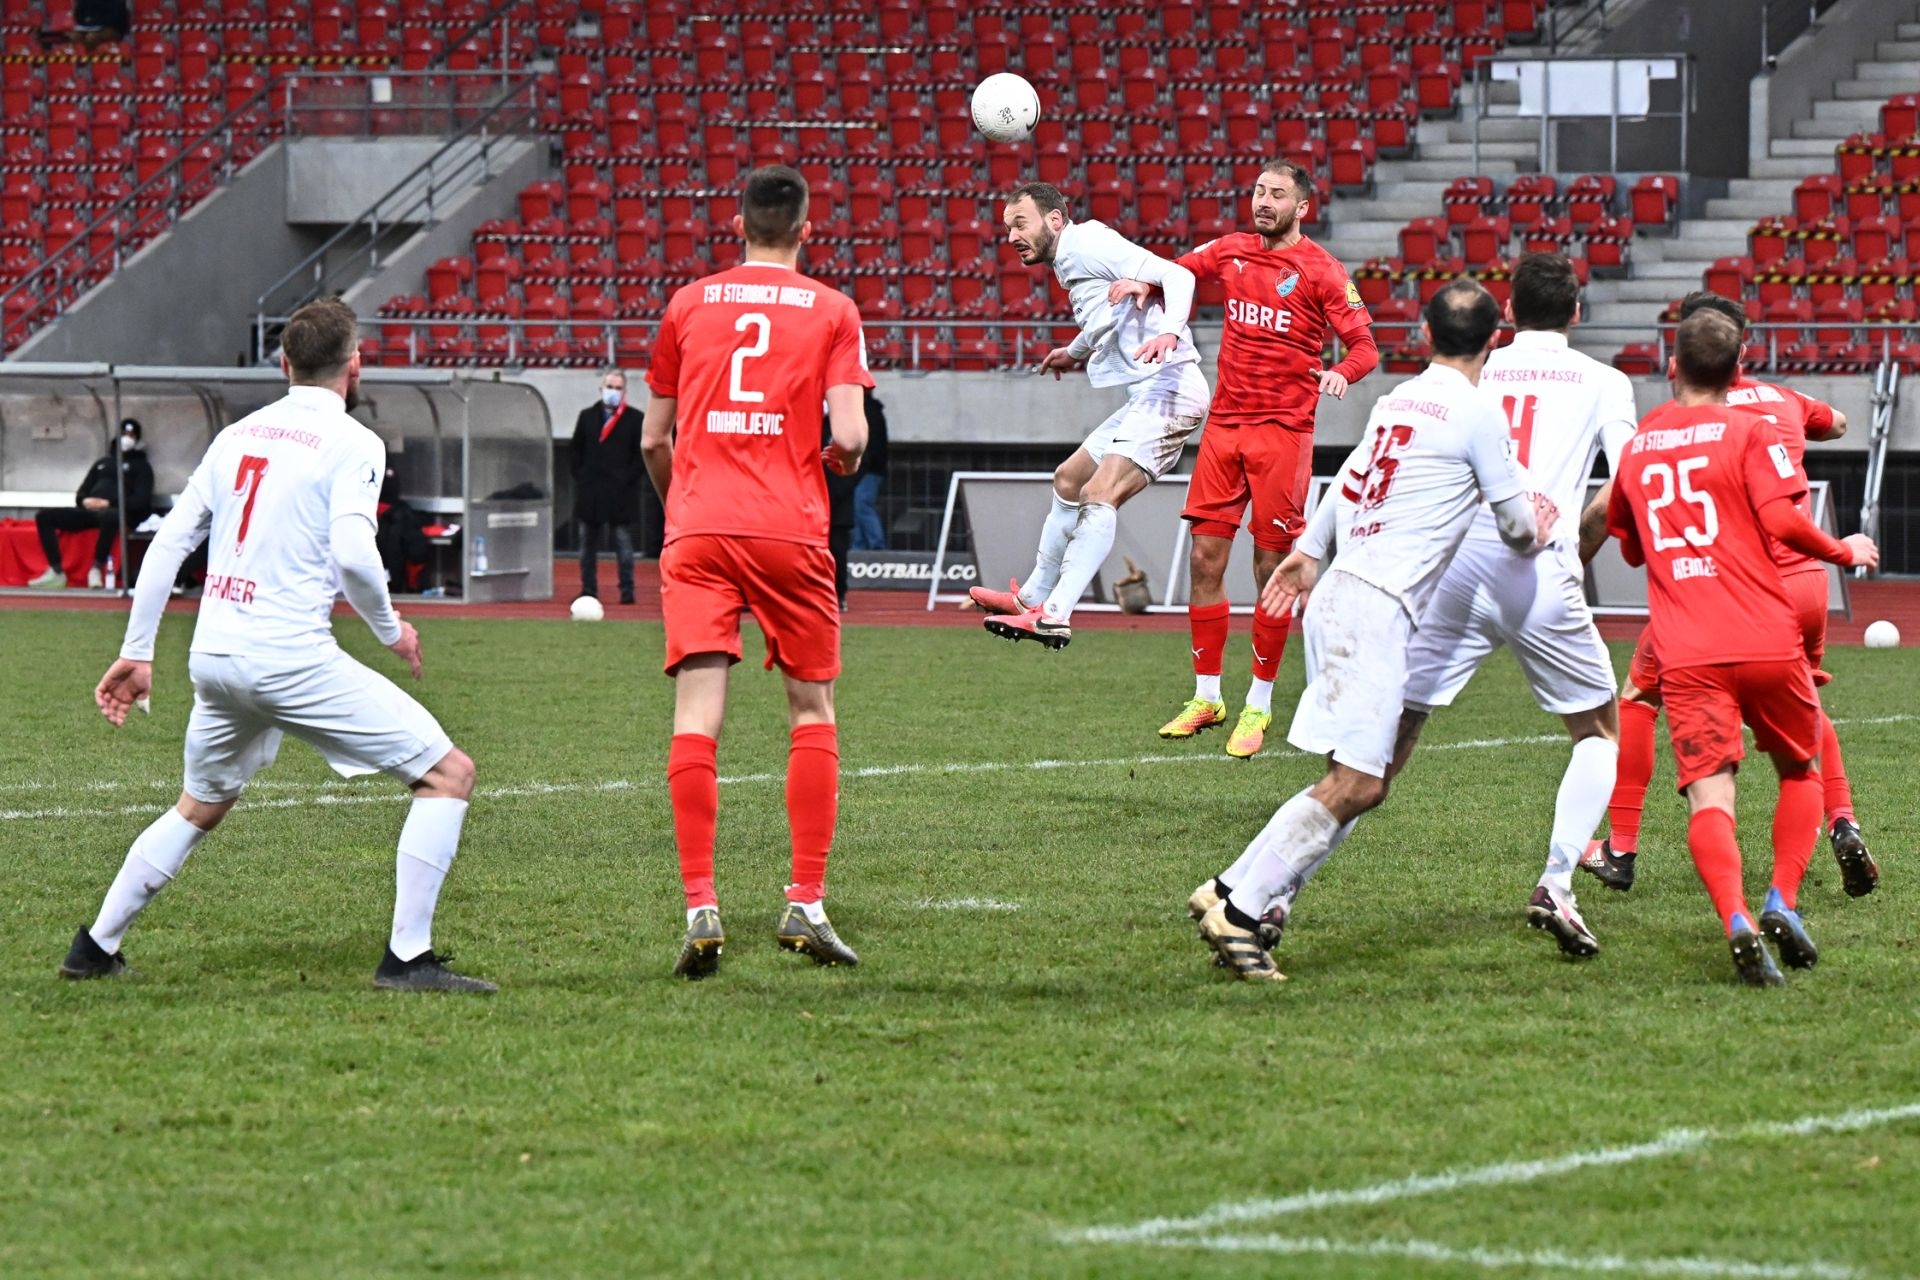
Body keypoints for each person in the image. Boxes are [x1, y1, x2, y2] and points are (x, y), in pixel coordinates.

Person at [59, 297, 493, 993]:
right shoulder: (355, 442)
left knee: (198, 805)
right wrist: (391, 630)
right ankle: (406, 960)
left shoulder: (238, 436)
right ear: (356, 364)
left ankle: (94, 946)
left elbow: (169, 541)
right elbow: (354, 555)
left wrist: (140, 652)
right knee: (449, 776)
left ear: (284, 364)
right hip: (287, 657)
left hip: (216, 656)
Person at [1188, 279, 1550, 981]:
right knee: (1361, 783)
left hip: (1345, 588)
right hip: (1376, 604)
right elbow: (1515, 527)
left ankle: (1230, 889)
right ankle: (1241, 908)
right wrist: (1538, 523)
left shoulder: (1397, 398)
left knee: (1352, 776)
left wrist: (1312, 549)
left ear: (1422, 334)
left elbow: (1351, 478)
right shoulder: (1478, 414)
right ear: (1496, 339)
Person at [640, 164, 873, 979]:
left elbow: (650, 440)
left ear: (737, 225)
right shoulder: (835, 310)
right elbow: (849, 435)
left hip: (699, 524)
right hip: (789, 528)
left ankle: (701, 903)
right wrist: (836, 461)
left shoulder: (689, 303)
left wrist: (683, 510)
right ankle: (804, 902)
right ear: (806, 230)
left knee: (695, 713)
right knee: (811, 708)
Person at [1604, 310, 1877, 985]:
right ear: (1737, 371)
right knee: (1798, 770)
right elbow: (1782, 516)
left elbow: (1631, 544)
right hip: (1764, 634)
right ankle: (1781, 899)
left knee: (1711, 797)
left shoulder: (1639, 445)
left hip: (1686, 649)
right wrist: (1844, 548)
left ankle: (1735, 919)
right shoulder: (1754, 426)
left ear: (1673, 367)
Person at [1394, 253, 1638, 958]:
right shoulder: (1604, 381)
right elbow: (1626, 480)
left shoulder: (1473, 363)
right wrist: (1586, 532)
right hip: (1536, 569)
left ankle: (1275, 889)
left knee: (1390, 738)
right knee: (1598, 731)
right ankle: (1557, 882)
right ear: (1576, 313)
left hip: (1455, 564)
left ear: (1508, 307)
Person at [1111, 160, 1378, 758]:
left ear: (1302, 207)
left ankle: (1258, 704)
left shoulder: (1324, 272)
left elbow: (1366, 345)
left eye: (1277, 194)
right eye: (1258, 190)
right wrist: (1146, 285)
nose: (1263, 201)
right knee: (1205, 558)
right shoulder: (1231, 250)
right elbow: (1178, 273)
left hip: (1282, 434)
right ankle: (1208, 696)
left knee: (1270, 570)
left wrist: (1340, 371)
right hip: (1225, 427)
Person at [965, 181, 1208, 650]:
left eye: (1021, 223)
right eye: (1007, 227)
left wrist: (1172, 335)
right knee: (1069, 479)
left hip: (1171, 388)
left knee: (1099, 493)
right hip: (1145, 395)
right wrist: (1072, 351)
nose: (1012, 235)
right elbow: (1109, 318)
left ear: (1054, 220)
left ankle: (1054, 614)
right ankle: (1032, 596)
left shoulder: (1089, 240)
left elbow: (1181, 277)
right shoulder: (1066, 262)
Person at [28, 417, 153, 590]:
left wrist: (109, 503)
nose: (127, 438)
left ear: (137, 439)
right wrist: (84, 500)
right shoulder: (102, 463)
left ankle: (96, 569)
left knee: (110, 516)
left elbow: (141, 500)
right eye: (124, 434)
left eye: (131, 435)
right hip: (90, 512)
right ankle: (56, 571)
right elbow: (82, 492)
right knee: (44, 516)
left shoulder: (142, 467)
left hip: (116, 513)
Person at [571, 366, 644, 606]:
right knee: (586, 547)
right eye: (609, 387)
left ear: (625, 391)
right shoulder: (587, 416)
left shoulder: (635, 419)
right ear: (601, 388)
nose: (613, 391)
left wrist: (627, 479)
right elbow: (575, 452)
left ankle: (627, 591)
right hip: (590, 492)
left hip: (620, 494)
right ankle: (588, 589)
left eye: (618, 388)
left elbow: (640, 456)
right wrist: (582, 477)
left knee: (623, 545)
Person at [824, 417, 858, 611]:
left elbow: (859, 460)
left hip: (839, 503)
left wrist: (841, 488)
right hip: (810, 499)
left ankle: (838, 594)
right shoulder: (805, 421)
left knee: (837, 550)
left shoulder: (842, 425)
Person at [851, 386, 889, 551]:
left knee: (861, 503)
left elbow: (873, 446)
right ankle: (859, 546)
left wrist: (866, 464)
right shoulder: (870, 411)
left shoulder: (868, 412)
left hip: (868, 470)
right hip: (865, 469)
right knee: (856, 505)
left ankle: (876, 546)